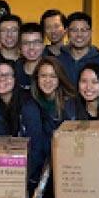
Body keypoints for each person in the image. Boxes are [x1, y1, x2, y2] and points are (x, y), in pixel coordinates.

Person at [22, 57, 77, 187]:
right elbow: (34, 146)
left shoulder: (70, 104)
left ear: (60, 79)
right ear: (37, 78)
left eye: (53, 76)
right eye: (43, 76)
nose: (48, 81)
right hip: (38, 173)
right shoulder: (29, 106)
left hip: (66, 170)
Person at [58, 11, 99, 87]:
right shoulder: (58, 62)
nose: (79, 35)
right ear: (67, 32)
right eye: (74, 30)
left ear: (91, 32)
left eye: (84, 30)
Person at [0, 60, 25, 137]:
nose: (2, 78)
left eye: (8, 75)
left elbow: (35, 143)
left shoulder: (28, 106)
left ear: (15, 79)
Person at [15, 22, 45, 91]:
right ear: (20, 46)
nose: (31, 47)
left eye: (36, 42)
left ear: (43, 45)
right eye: (26, 43)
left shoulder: (53, 68)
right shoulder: (15, 68)